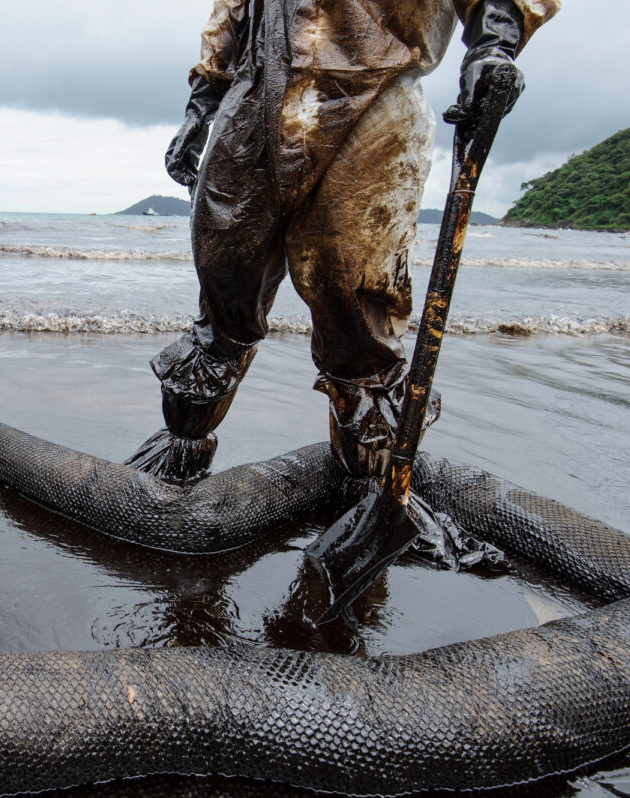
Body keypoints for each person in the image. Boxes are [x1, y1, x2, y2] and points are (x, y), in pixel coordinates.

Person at [128, 0, 557, 482]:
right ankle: (180, 454)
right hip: (252, 99)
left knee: (352, 302)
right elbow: (231, 11)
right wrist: (201, 105)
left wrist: (494, 45)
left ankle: (364, 491)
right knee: (225, 277)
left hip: (374, 92)